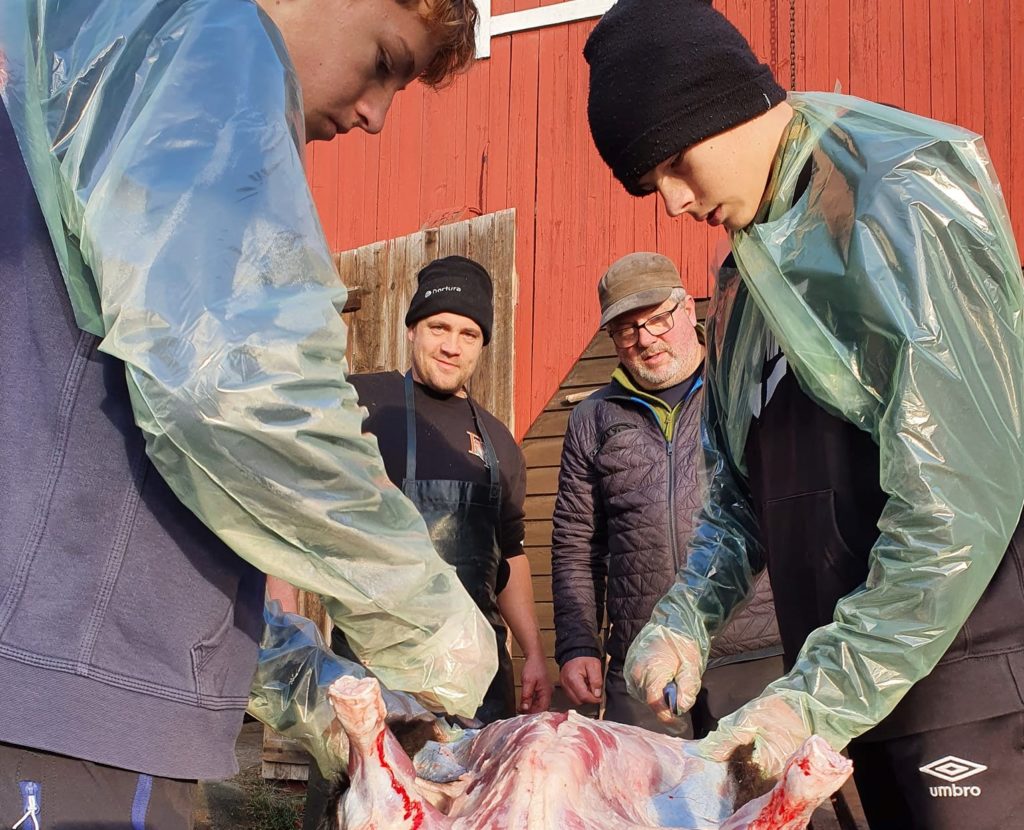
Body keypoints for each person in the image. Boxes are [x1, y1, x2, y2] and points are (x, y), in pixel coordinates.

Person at [0, 0, 492, 824]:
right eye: (382, 62)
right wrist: (434, 625)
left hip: (68, 701)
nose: (376, 116)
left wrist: (312, 680)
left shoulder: (118, 65)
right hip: (66, 721)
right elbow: (240, 398)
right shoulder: (209, 34)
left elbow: (128, 466)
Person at [583, 0, 1024, 827]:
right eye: (653, 185)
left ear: (723, 103)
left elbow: (958, 503)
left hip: (963, 687)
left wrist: (814, 700)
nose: (673, 202)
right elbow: (740, 497)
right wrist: (686, 617)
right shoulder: (749, 278)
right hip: (845, 704)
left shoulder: (899, 202)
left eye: (676, 163)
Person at [299, 255, 552, 827]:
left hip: (478, 690)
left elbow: (510, 557)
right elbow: (300, 516)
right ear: (411, 329)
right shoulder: (360, 405)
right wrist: (294, 633)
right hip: (373, 677)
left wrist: (534, 652)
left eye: (468, 333)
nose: (452, 345)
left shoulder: (500, 444)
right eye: (439, 327)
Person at [552, 251, 781, 738]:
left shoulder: (740, 388)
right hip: (642, 662)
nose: (646, 339)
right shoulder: (592, 418)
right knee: (650, 806)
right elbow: (575, 544)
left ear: (687, 310)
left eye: (658, 318)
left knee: (764, 805)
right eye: (627, 329)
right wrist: (577, 645)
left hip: (754, 653)